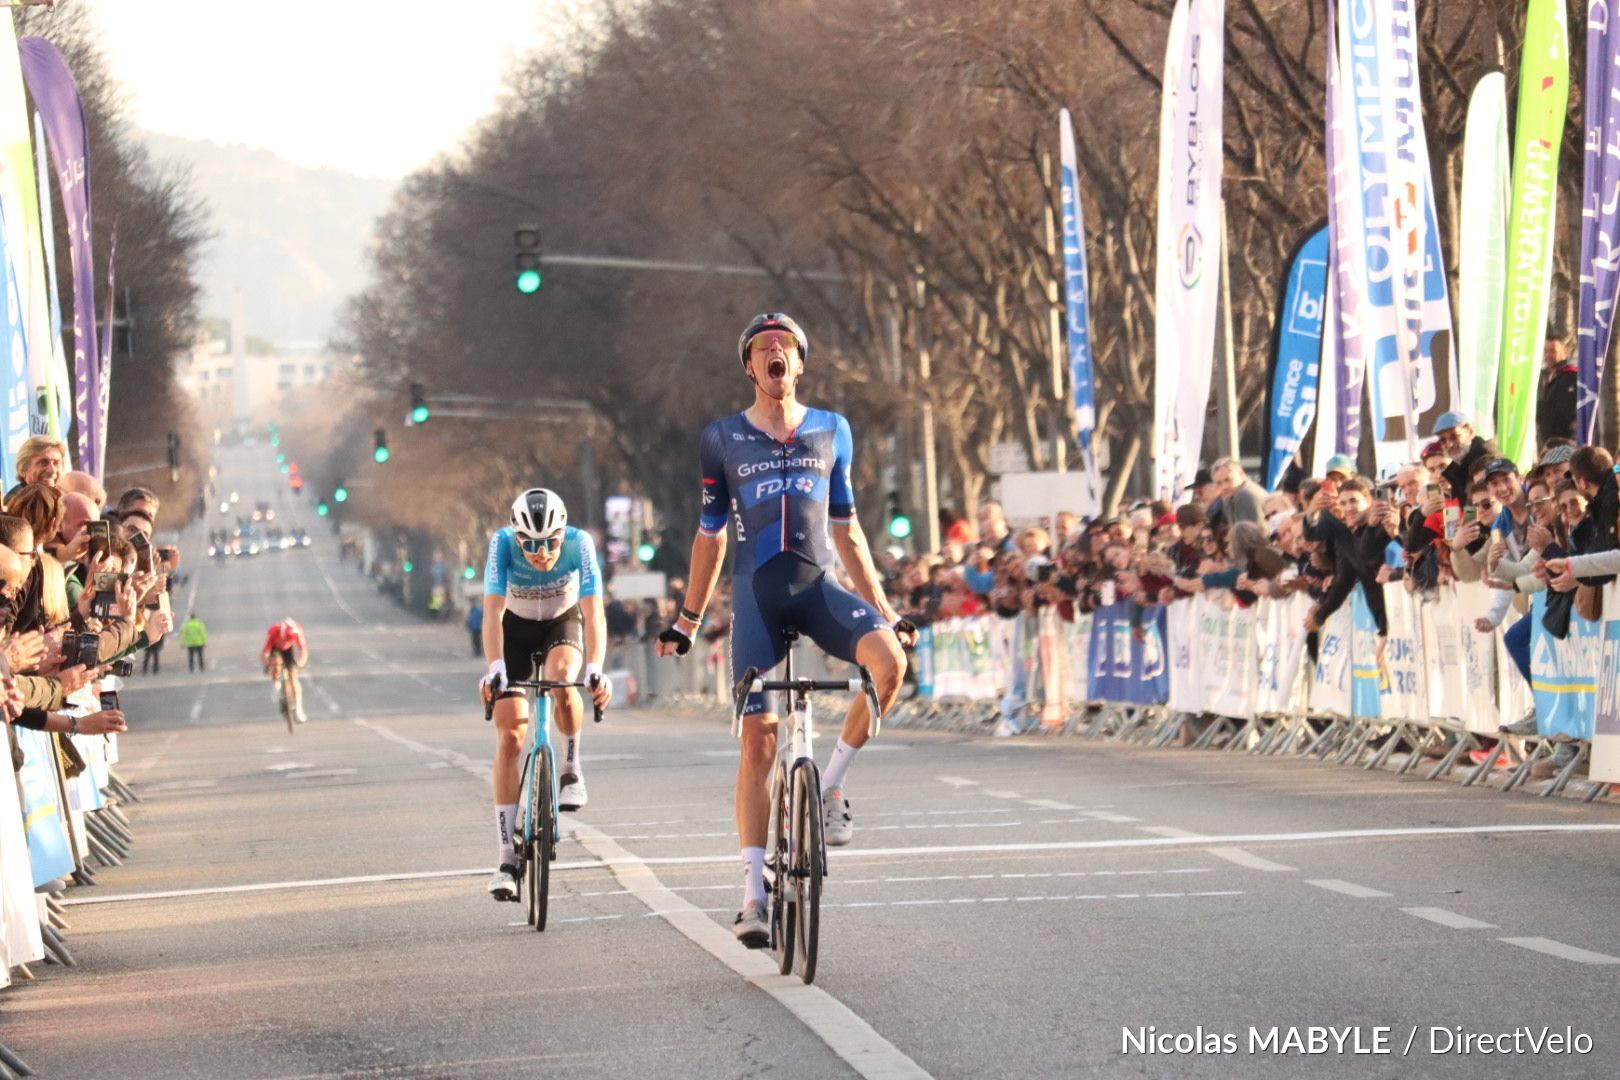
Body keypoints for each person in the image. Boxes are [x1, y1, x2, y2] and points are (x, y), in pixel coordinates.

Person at [653, 313, 914, 949]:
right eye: (763, 348)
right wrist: (688, 619)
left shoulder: (833, 429)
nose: (775, 353)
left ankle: (828, 789)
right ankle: (751, 895)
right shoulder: (722, 437)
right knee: (759, 747)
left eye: (786, 347)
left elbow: (848, 530)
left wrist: (883, 607)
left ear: (800, 363)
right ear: (750, 367)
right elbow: (710, 536)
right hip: (757, 599)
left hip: (819, 589)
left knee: (890, 665)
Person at [478, 488, 613, 903]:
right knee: (511, 737)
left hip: (562, 622)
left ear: (563, 533)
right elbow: (492, 613)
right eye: (531, 545)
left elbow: (594, 613)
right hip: (515, 629)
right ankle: (505, 859)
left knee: (562, 677)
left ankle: (571, 767)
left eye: (550, 542)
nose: (541, 553)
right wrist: (496, 669)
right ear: (517, 538)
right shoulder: (501, 544)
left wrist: (596, 669)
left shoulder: (580, 544)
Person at [260, 617, 308, 724]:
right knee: (276, 662)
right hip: (275, 649)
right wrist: (267, 666)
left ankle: (299, 709)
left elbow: (303, 651)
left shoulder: (297, 632)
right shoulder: (274, 632)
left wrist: (300, 664)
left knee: (293, 676)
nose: (288, 641)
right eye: (286, 639)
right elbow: (264, 654)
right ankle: (276, 683)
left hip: (289, 651)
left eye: (290, 639)